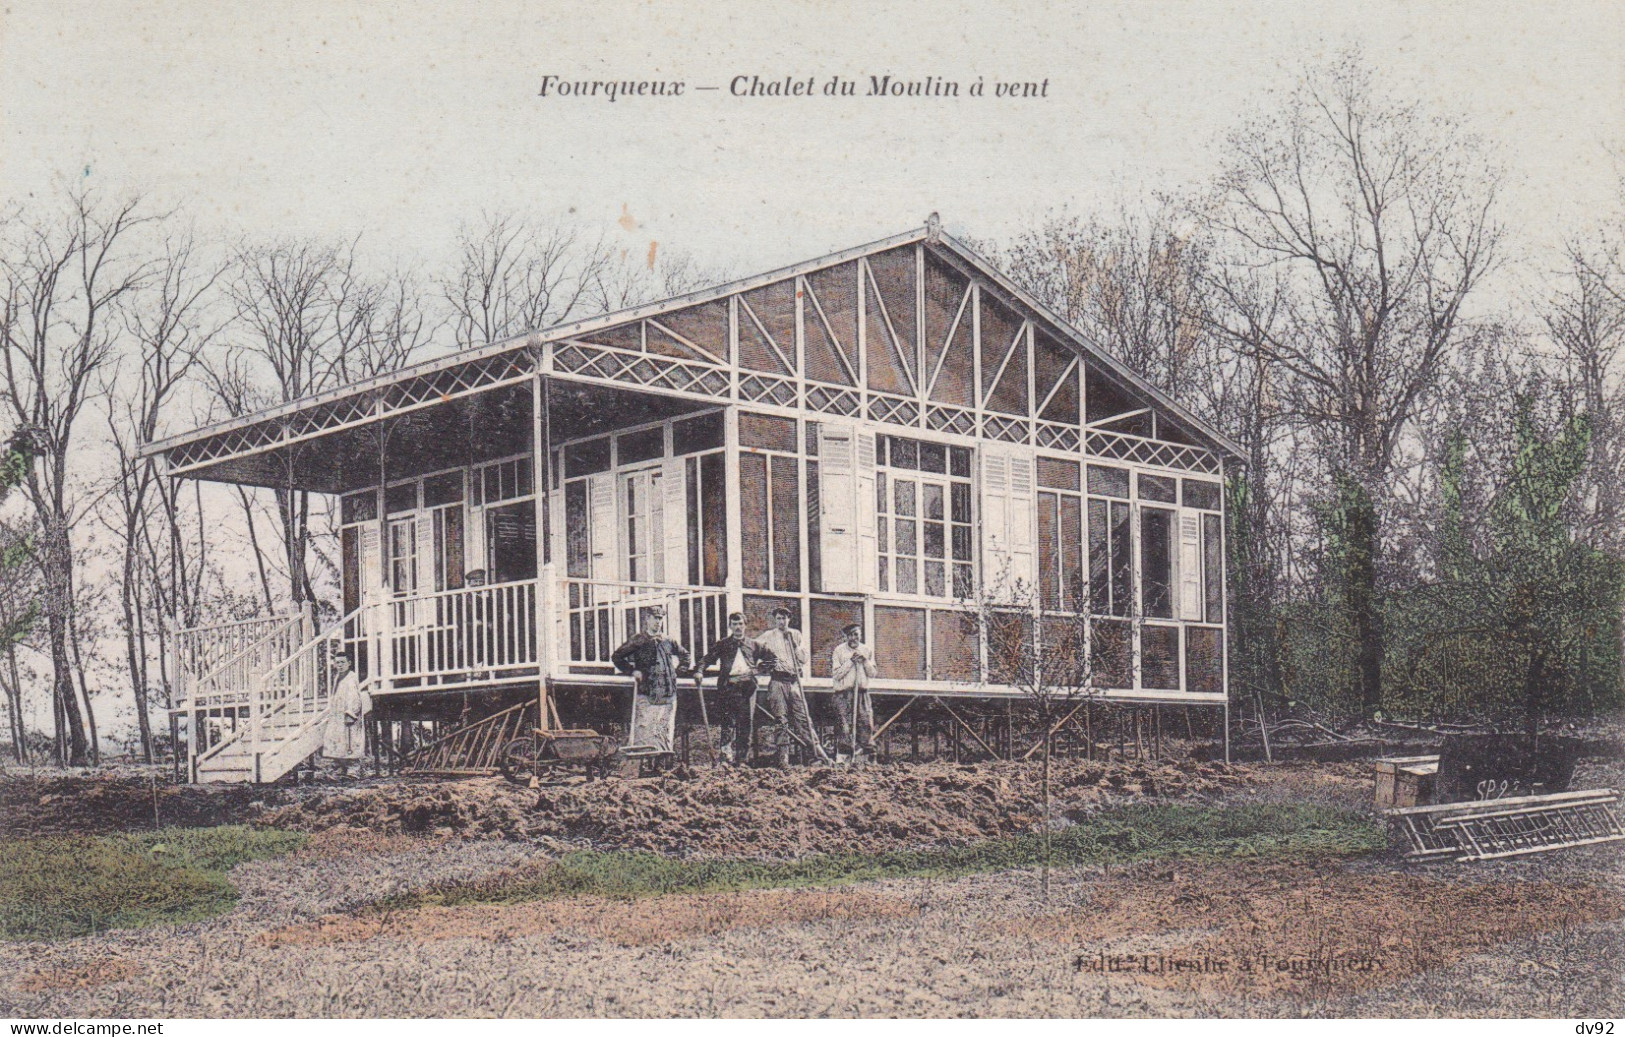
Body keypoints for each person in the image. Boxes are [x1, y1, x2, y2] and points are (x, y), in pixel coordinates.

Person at [755, 606, 832, 768]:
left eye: (784, 618)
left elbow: (804, 658)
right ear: (774, 620)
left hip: (794, 682)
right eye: (778, 618)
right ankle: (783, 760)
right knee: (780, 719)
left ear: (789, 619)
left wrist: (796, 645)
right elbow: (754, 651)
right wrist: (763, 664)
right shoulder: (768, 636)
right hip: (777, 681)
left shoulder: (796, 635)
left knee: (803, 719)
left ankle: (819, 755)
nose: (782, 621)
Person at [693, 612, 773, 765]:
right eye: (735, 624)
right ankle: (725, 757)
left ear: (745, 625)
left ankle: (742, 760)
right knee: (727, 721)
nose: (738, 627)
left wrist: (758, 669)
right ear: (730, 626)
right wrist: (699, 671)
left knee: (745, 723)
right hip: (727, 687)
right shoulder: (723, 644)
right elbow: (707, 658)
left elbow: (772, 659)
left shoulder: (754, 645)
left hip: (747, 688)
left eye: (741, 624)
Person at [611, 606, 691, 707]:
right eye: (655, 618)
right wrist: (632, 671)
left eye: (660, 618)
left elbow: (686, 655)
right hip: (646, 693)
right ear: (648, 619)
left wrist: (676, 672)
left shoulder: (668, 641)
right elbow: (617, 657)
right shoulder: (638, 639)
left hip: (668, 693)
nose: (658, 621)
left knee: (667, 722)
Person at [830, 622, 878, 759]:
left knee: (865, 723)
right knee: (844, 725)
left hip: (862, 693)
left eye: (856, 634)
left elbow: (873, 673)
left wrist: (864, 661)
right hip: (844, 694)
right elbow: (837, 675)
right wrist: (850, 661)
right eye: (850, 635)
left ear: (860, 635)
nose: (853, 638)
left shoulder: (866, 650)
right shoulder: (839, 651)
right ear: (846, 636)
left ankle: (867, 758)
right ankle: (843, 758)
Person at [323, 653, 371, 779]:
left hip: (348, 715)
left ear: (349, 663)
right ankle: (340, 768)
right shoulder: (338, 677)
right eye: (337, 662)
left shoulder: (351, 677)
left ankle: (353, 769)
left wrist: (351, 712)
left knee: (351, 741)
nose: (339, 665)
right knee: (339, 740)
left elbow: (354, 697)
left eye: (342, 662)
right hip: (338, 714)